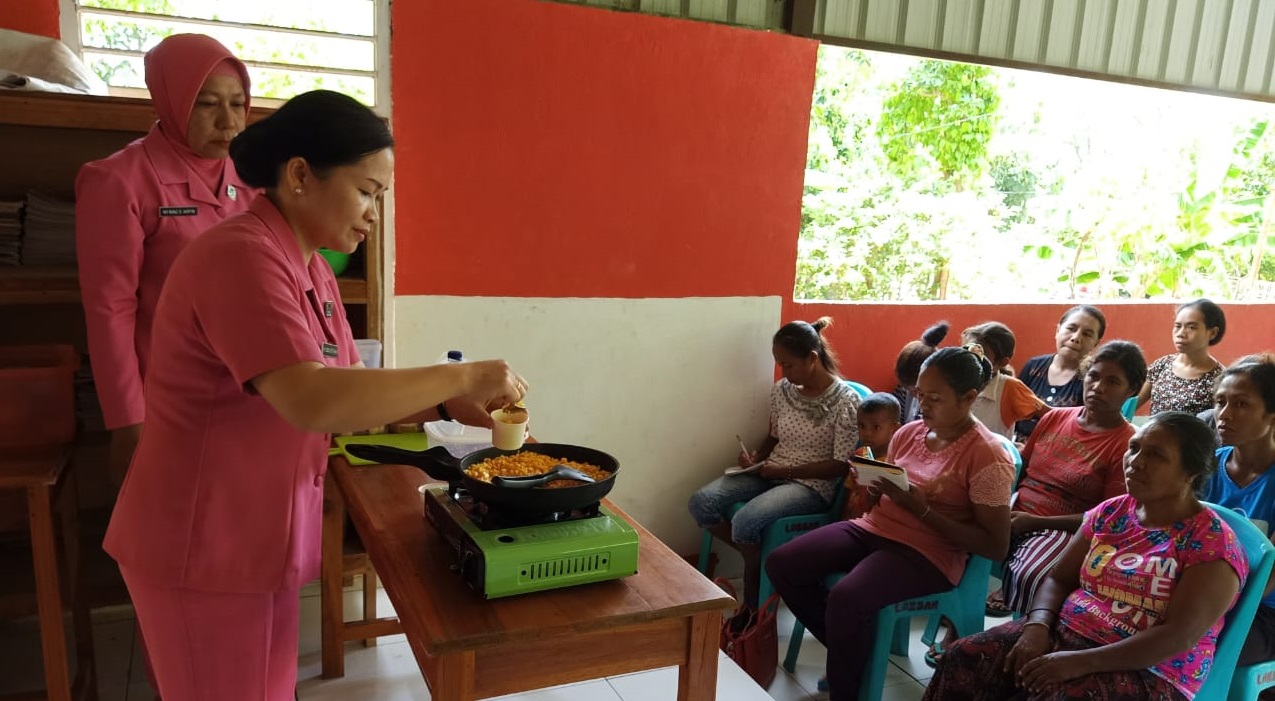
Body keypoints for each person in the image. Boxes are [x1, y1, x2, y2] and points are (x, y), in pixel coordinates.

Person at [102, 90, 528, 701]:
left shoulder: (309, 266)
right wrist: (461, 376)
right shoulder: (239, 257)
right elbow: (312, 397)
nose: (374, 213)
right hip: (201, 541)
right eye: (366, 191)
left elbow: (350, 389)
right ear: (300, 174)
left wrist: (442, 406)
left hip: (253, 536)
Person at [923, 412, 1247, 701]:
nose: (1136, 461)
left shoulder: (1210, 544)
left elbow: (1180, 635)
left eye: (1156, 455)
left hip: (1151, 668)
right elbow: (1058, 577)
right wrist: (1037, 626)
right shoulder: (1112, 511)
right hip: (1068, 632)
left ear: (1190, 471)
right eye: (1134, 448)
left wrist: (1081, 662)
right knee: (964, 656)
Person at [766, 347, 1014, 700]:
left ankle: (845, 687)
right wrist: (872, 486)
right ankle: (850, 649)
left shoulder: (987, 456)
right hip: (875, 528)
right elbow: (882, 502)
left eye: (935, 398)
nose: (923, 405)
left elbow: (995, 545)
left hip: (928, 552)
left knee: (847, 598)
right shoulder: (909, 433)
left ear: (969, 398)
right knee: (783, 563)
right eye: (919, 395)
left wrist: (922, 510)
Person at [75, 34, 256, 487]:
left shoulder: (252, 177)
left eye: (238, 104)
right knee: (164, 525)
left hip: (247, 384)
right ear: (170, 100)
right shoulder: (119, 181)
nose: (227, 121)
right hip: (164, 392)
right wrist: (126, 417)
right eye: (207, 104)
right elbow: (109, 308)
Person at [688, 318, 859, 615]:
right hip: (770, 471)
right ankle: (758, 559)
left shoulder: (846, 401)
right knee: (701, 502)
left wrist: (785, 473)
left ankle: (753, 600)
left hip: (810, 485)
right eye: (779, 364)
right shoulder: (783, 390)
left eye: (789, 365)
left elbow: (840, 466)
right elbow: (774, 436)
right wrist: (756, 458)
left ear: (813, 358)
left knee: (744, 521)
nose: (783, 372)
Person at [976, 341, 1144, 625]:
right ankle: (958, 619)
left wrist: (1035, 522)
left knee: (1033, 572)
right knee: (956, 536)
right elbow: (1020, 474)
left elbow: (1106, 518)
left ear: (1131, 391)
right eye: (1093, 376)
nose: (1098, 387)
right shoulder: (1054, 417)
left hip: (1066, 529)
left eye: (1112, 382)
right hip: (1017, 512)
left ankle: (1025, 636)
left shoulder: (1125, 443)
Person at [1201, 353, 1275, 672]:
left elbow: (1269, 578)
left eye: (1241, 404)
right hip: (1198, 597)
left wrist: (1195, 615)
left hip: (1260, 612)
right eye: (1220, 402)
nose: (1224, 414)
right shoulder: (1204, 467)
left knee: (1182, 647)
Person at [1014, 305, 1106, 442]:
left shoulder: (1091, 379)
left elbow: (1085, 430)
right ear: (1058, 330)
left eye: (1087, 334)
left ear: (1096, 344)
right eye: (1071, 328)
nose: (1076, 338)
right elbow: (1013, 412)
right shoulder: (1033, 367)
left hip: (1061, 457)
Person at [1138, 298, 1226, 416]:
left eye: (1191, 327)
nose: (1180, 334)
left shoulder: (1220, 379)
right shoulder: (1162, 365)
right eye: (1178, 326)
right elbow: (1130, 405)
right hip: (1153, 434)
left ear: (1213, 333)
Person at [961, 322, 1048, 438]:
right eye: (966, 351)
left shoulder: (1008, 388)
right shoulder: (953, 379)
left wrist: (1032, 447)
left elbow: (1051, 415)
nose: (969, 360)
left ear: (1002, 363)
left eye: (979, 356)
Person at [842, 392, 903, 520]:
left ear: (895, 429)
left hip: (876, 523)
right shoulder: (860, 454)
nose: (866, 433)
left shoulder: (894, 464)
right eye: (861, 426)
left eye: (876, 427)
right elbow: (849, 490)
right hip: (852, 519)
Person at [894, 321, 950, 424]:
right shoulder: (903, 391)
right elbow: (896, 418)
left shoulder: (942, 404)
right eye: (907, 388)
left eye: (916, 391)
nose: (911, 393)